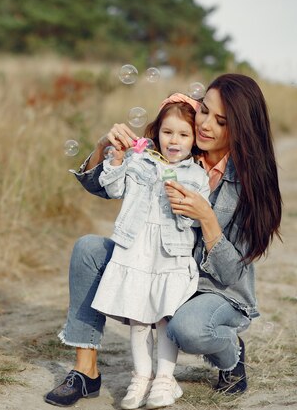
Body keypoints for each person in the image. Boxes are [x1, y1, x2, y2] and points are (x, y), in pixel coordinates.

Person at [44, 73, 282, 408]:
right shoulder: (172, 146)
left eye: (221, 121)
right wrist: (103, 147)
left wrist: (208, 218)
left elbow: (231, 273)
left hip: (214, 288)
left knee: (187, 329)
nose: (204, 126)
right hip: (156, 264)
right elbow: (101, 186)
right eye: (204, 112)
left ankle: (231, 354)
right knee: (88, 249)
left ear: (241, 128)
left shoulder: (250, 184)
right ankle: (86, 372)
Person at [89, 94, 210, 409]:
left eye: (184, 134)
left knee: (164, 319)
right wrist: (115, 162)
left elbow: (193, 222)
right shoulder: (139, 161)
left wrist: (182, 202)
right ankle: (141, 376)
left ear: (195, 140)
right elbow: (114, 189)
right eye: (168, 132)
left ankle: (164, 380)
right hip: (136, 250)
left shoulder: (197, 175)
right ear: (156, 132)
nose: (174, 140)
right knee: (140, 318)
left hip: (171, 255)